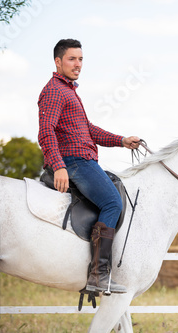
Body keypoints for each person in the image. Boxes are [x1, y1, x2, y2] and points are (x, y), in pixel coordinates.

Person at [38, 38, 140, 294]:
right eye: (72, 59)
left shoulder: (69, 90)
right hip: (74, 162)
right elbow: (45, 131)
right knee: (113, 203)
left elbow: (88, 130)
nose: (78, 64)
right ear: (58, 61)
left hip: (81, 159)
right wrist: (58, 165)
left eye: (81, 59)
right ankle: (99, 275)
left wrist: (121, 140)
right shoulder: (54, 90)